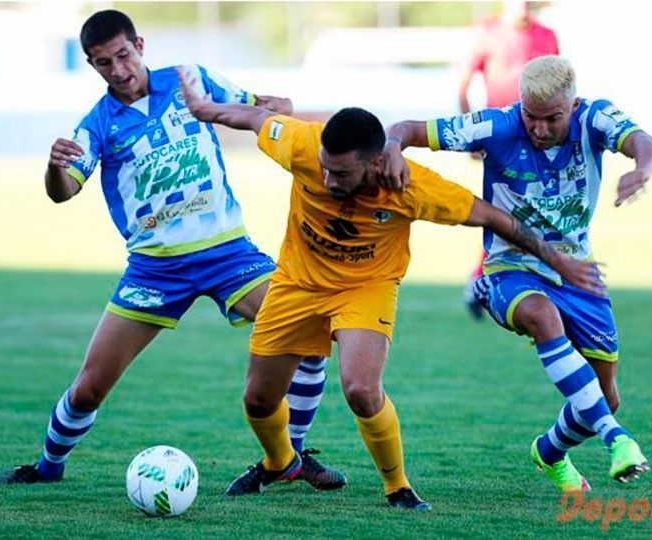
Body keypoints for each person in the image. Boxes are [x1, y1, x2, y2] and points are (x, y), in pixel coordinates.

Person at [176, 68, 604, 509]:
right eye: (324, 169)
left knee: (361, 390)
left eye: (341, 174)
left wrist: (557, 260)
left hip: (366, 288)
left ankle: (397, 486)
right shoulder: (302, 145)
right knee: (258, 399)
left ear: (374, 162)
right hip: (297, 282)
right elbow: (252, 118)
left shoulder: (409, 185)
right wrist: (205, 109)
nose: (328, 181)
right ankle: (281, 460)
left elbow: (494, 217)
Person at [0, 9, 345, 490]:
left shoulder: (190, 79)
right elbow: (63, 191)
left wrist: (277, 107)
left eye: (122, 55)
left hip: (229, 255)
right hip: (154, 271)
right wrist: (54, 168)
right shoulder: (96, 125)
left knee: (310, 333)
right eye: (102, 63)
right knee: (93, 383)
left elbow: (254, 110)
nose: (117, 70)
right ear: (92, 66)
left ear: (139, 44)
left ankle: (291, 456)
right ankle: (48, 468)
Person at [383, 55, 652, 492]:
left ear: (573, 105)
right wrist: (392, 149)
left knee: (606, 398)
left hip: (577, 271)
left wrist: (640, 169)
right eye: (531, 117)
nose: (538, 129)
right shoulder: (497, 126)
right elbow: (405, 129)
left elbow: (646, 142)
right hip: (511, 267)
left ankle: (549, 453)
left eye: (551, 119)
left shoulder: (596, 118)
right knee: (540, 315)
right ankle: (616, 438)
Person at [459, 1, 560, 318]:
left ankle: (487, 278)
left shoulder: (547, 35)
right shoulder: (486, 31)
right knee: (505, 208)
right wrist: (474, 135)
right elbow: (463, 86)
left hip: (540, 137)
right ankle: (484, 278)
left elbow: (560, 87)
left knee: (533, 209)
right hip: (503, 137)